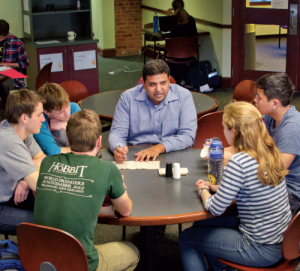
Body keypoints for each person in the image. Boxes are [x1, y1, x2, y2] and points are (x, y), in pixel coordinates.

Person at [179, 102, 291, 271]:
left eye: (224, 128)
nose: (223, 133)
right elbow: (249, 187)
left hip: (259, 248)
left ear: (235, 130)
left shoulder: (239, 162)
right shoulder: (268, 150)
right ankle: (223, 268)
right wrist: (217, 188)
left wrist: (202, 189)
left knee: (187, 238)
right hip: (282, 240)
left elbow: (215, 208)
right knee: (200, 227)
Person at [34, 109, 139, 271]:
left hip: (41, 259)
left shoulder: (47, 163)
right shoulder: (108, 169)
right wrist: (112, 198)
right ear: (99, 141)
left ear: (68, 139)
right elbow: (126, 210)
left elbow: (68, 199)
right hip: (80, 263)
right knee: (133, 253)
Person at [108, 59, 197, 164]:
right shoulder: (127, 98)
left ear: (169, 81)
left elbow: (187, 135)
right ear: (144, 84)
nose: (158, 89)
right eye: (152, 84)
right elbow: (117, 132)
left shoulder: (184, 96)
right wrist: (118, 147)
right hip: (136, 155)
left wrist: (158, 148)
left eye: (163, 83)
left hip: (172, 153)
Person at [0, 89, 46, 235]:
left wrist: (24, 180)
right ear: (24, 118)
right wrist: (28, 178)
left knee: (53, 210)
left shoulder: (21, 131)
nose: (43, 119)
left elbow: (41, 157)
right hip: (2, 204)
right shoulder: (8, 140)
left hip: (9, 194)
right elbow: (39, 185)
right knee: (47, 222)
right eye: (39, 115)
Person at [255, 73, 300, 217]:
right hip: (275, 183)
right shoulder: (270, 117)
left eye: (259, 97)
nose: (254, 100)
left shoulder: (292, 127)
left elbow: (276, 170)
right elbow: (251, 144)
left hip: (290, 192)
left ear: (274, 103)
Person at [33, 83, 81, 156]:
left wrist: (66, 127)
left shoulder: (74, 107)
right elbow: (52, 152)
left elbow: (90, 137)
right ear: (46, 112)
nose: (67, 113)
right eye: (61, 112)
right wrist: (82, 149)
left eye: (68, 106)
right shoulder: (40, 121)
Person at [164, 0, 198, 86]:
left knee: (175, 53)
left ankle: (173, 79)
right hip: (188, 52)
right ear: (183, 6)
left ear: (173, 8)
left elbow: (164, 30)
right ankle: (183, 79)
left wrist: (168, 16)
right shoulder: (191, 19)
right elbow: (195, 34)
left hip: (173, 52)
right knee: (182, 52)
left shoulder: (171, 19)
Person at [0, 20, 29, 109]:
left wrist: (9, 65)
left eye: (1, 38)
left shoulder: (16, 42)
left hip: (11, 76)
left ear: (7, 34)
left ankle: (8, 113)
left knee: (2, 85)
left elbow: (25, 63)